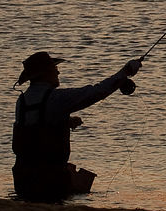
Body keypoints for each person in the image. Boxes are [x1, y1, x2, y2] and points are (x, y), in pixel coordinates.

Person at [11, 51, 142, 202]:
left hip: (23, 182)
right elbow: (96, 92)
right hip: (50, 184)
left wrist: (66, 122)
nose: (58, 71)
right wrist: (125, 72)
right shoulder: (57, 98)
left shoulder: (21, 101)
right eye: (54, 68)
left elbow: (35, 128)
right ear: (46, 73)